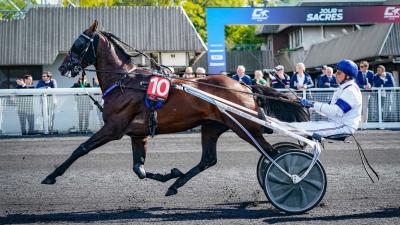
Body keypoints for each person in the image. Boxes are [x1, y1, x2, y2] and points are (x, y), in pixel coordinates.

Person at [290, 59, 362, 137]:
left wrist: (312, 104)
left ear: (348, 76)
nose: (335, 74)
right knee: (304, 126)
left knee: (299, 128)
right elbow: (330, 109)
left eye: (339, 73)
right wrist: (311, 106)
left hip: (344, 126)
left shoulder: (350, 91)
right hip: (337, 123)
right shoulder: (344, 88)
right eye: (336, 72)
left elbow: (334, 111)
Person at [356, 61, 374, 125]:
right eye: (360, 66)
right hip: (359, 92)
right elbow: (357, 82)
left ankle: (365, 122)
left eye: (362, 66)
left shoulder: (371, 73)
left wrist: (370, 86)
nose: (360, 68)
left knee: (365, 107)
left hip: (367, 93)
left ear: (366, 67)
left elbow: (372, 82)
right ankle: (359, 122)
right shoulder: (357, 73)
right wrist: (364, 86)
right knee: (359, 107)